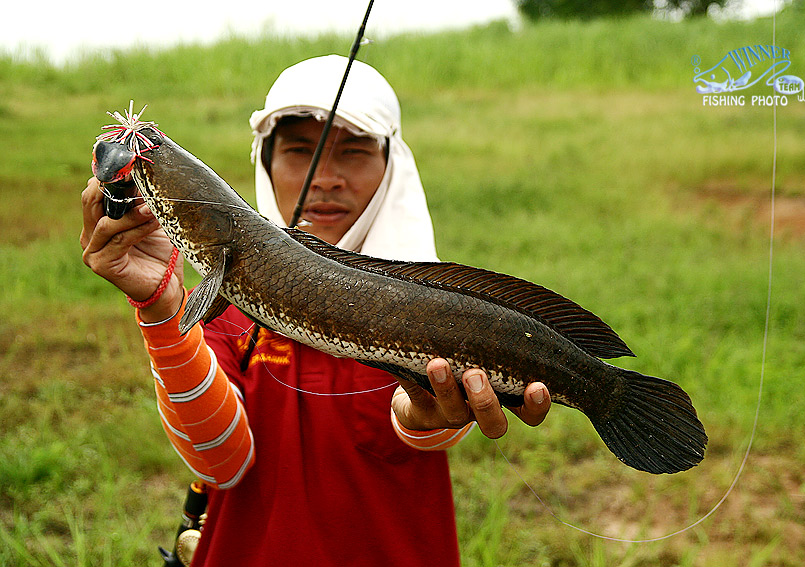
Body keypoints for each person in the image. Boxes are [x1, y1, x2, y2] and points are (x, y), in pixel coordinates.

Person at [80, 55, 551, 566]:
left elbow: (416, 418)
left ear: (392, 165)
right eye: (300, 151)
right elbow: (222, 463)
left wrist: (428, 413)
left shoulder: (434, 304)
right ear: (265, 162)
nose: (326, 178)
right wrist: (161, 309)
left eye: (353, 151)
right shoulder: (221, 310)